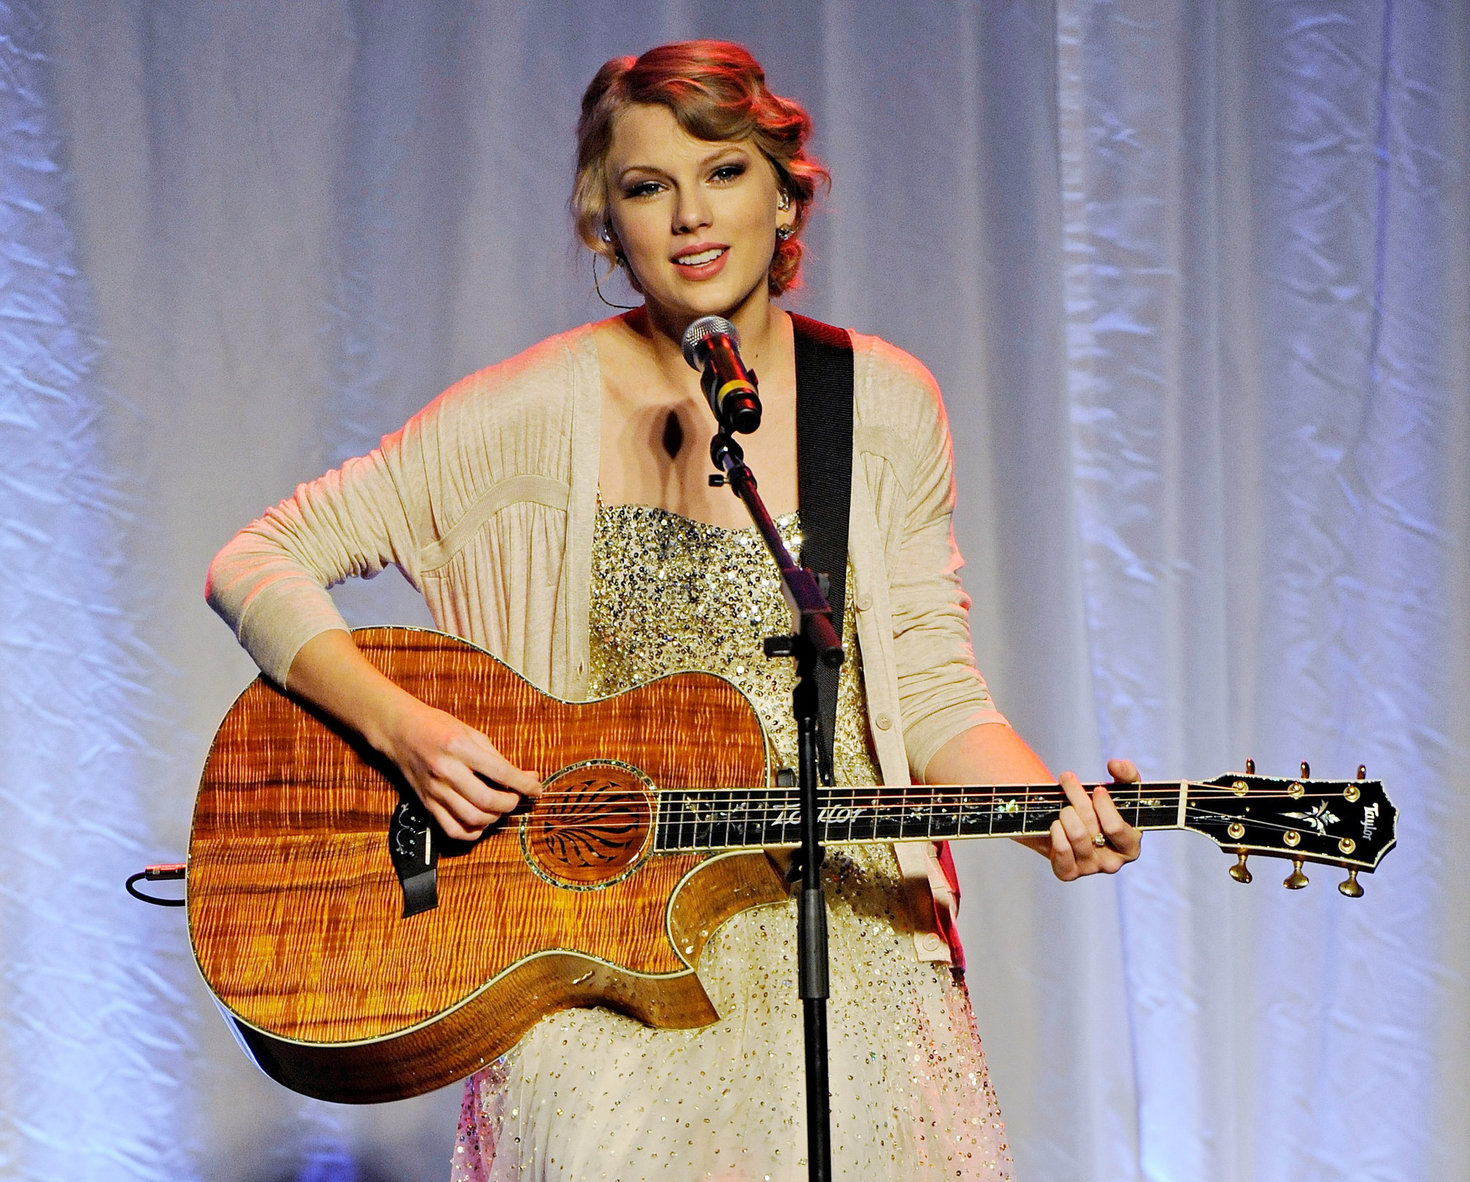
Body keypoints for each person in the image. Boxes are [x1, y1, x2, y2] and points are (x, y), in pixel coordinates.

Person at [206, 40, 1141, 1181]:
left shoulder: (882, 404)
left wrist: (1046, 805)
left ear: (787, 191)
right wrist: (409, 730)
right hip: (603, 973)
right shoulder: (530, 410)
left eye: (725, 172)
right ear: (608, 222)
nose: (691, 216)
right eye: (649, 187)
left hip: (848, 957)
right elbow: (258, 558)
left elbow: (935, 694)